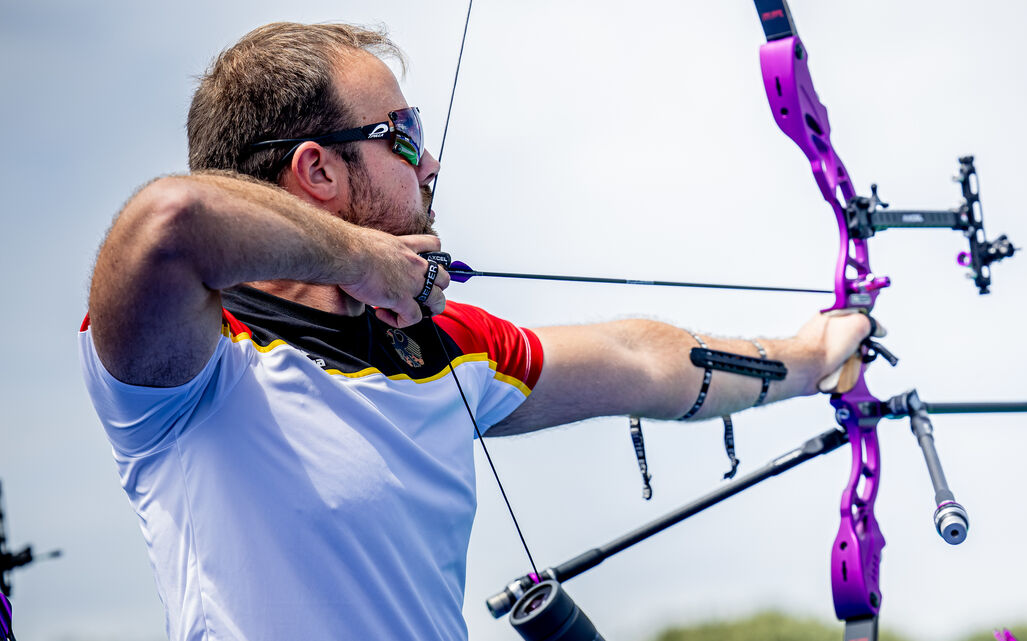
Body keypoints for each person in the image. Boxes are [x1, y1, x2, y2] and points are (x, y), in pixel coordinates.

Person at [78, 22, 870, 641]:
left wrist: (808, 357)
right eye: (403, 134)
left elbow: (636, 357)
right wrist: (368, 261)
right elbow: (170, 220)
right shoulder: (194, 358)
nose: (429, 165)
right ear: (318, 170)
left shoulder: (444, 346)